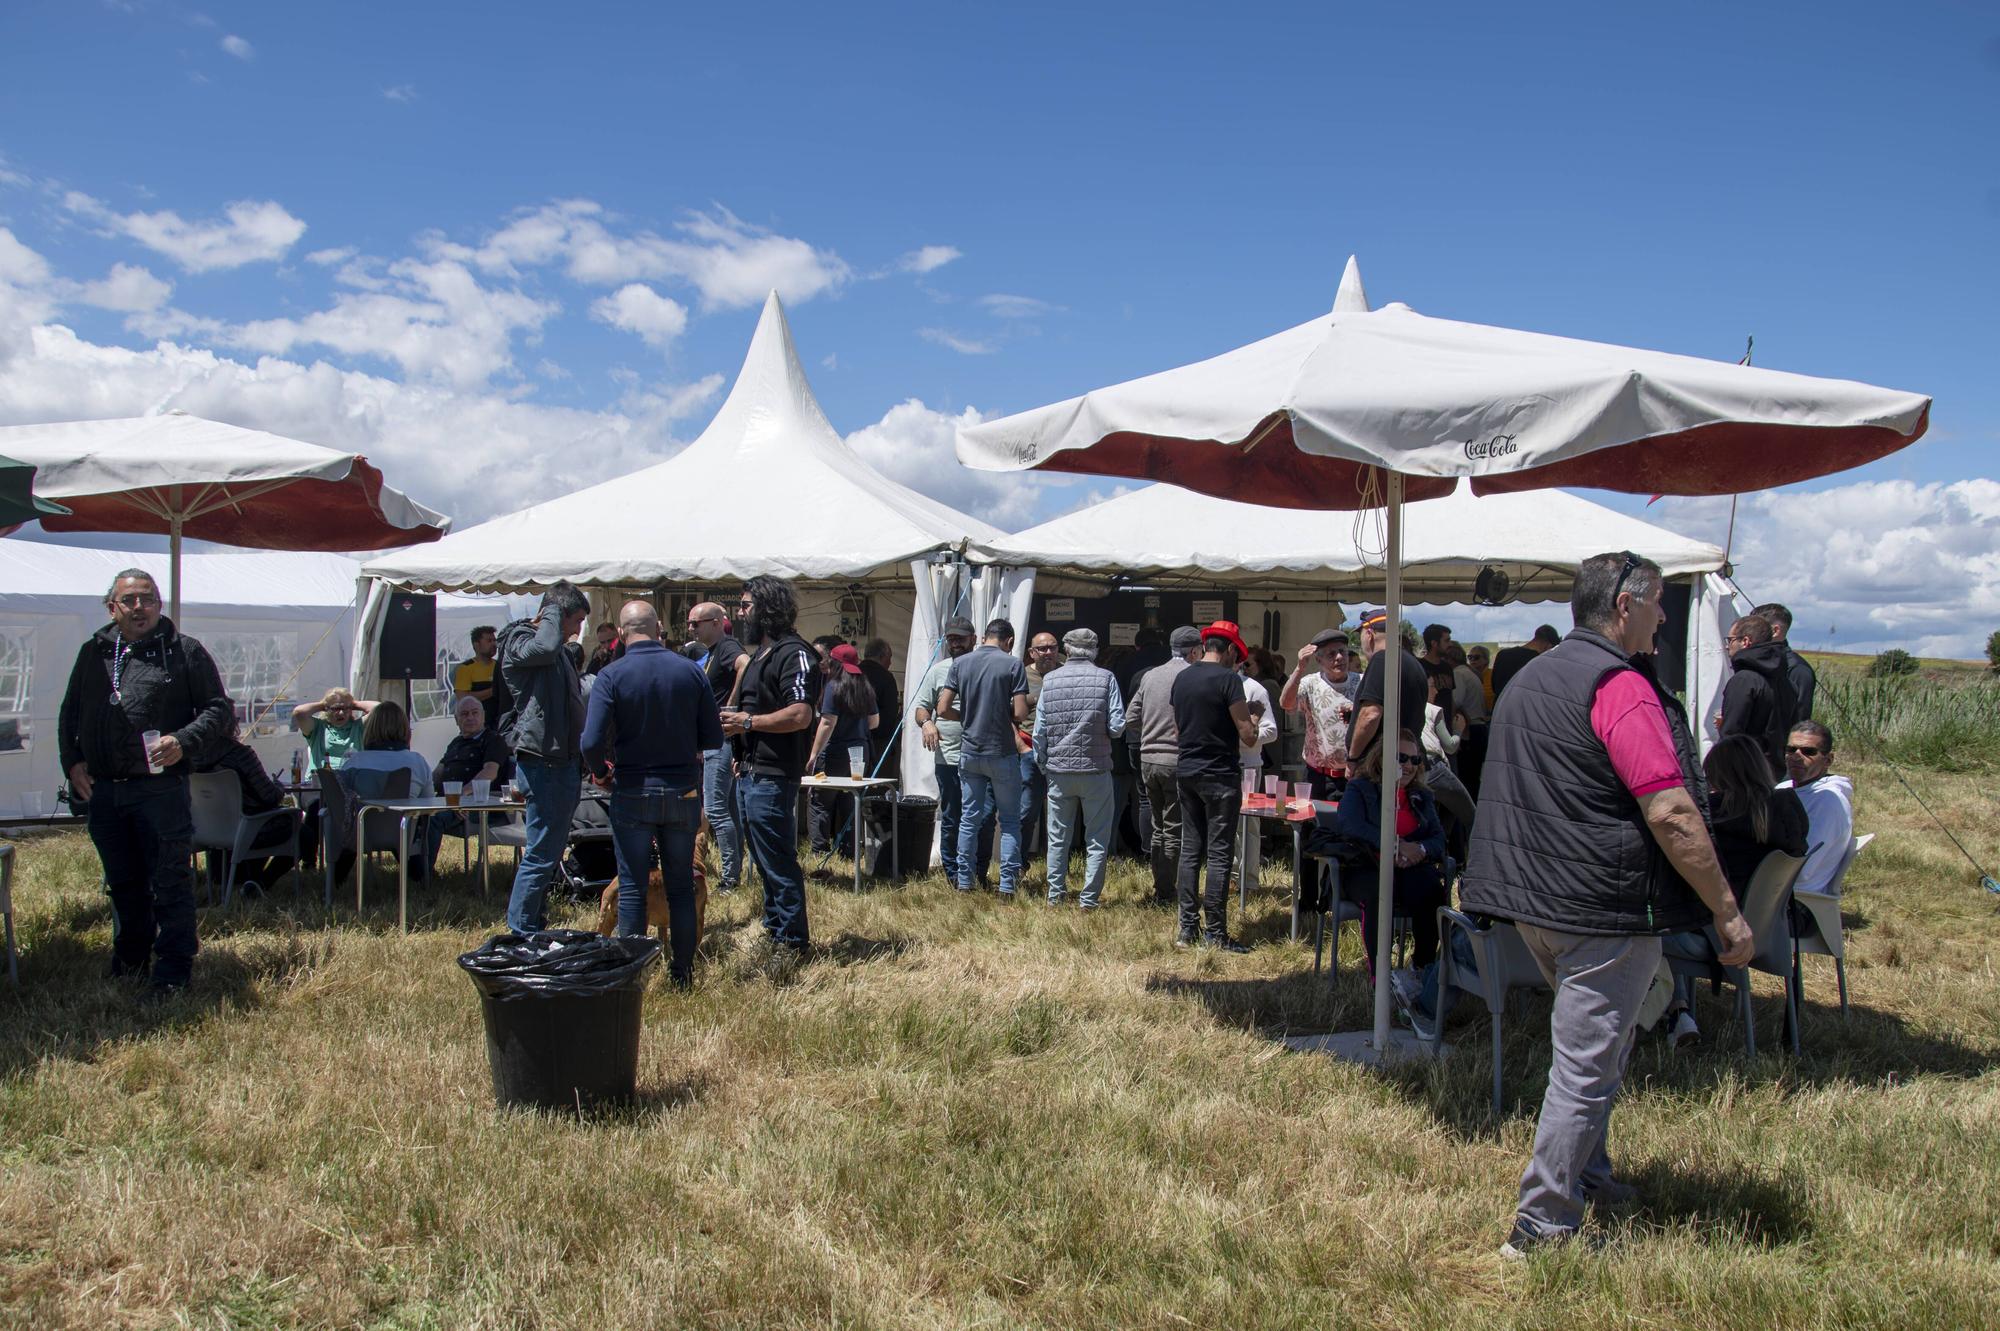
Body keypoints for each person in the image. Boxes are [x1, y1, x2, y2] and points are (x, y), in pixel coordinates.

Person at [1459, 551, 1753, 1257]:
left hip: (1538, 903)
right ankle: (1543, 1222)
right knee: (1587, 1065)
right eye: (1657, 606)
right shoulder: (1617, 683)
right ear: (1626, 604)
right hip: (1601, 905)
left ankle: (1588, 1175)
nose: (1662, 618)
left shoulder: (1533, 676)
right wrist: (1726, 909)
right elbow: (1672, 809)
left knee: (1601, 1048)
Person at [59, 569, 235, 999]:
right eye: (130, 600)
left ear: (160, 604)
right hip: (106, 791)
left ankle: (173, 969)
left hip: (159, 790)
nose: (140, 607)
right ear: (112, 608)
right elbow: (69, 713)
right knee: (123, 882)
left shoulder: (184, 652)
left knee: (169, 880)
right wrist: (73, 762)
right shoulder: (93, 653)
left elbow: (219, 711)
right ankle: (131, 961)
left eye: (149, 599)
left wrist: (183, 740)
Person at [583, 600, 722, 986]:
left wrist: (601, 773)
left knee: (632, 887)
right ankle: (682, 974)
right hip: (682, 791)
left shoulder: (611, 675)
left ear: (623, 633)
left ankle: (632, 978)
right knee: (681, 886)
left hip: (631, 791)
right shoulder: (690, 672)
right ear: (659, 628)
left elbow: (590, 740)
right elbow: (712, 735)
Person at [1659, 735, 1809, 1047]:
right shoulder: (1784, 815)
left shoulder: (1713, 821)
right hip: (1767, 933)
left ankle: (1676, 1009)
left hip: (1715, 937)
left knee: (1642, 926)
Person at [720, 576, 819, 956]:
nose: (741, 613)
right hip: (750, 772)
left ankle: (792, 943)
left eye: (746, 606)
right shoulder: (761, 654)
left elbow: (800, 714)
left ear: (768, 608)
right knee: (762, 861)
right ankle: (775, 930)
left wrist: (747, 723)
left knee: (777, 861)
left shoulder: (793, 653)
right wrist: (739, 751)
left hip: (773, 776)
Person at [497, 580, 590, 934]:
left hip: (562, 761)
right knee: (540, 854)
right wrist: (551, 609)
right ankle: (522, 931)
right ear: (558, 614)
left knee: (549, 853)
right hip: (543, 761)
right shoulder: (521, 641)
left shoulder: (559, 651)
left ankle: (533, 922)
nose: (578, 631)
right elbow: (546, 645)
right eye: (575, 620)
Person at [1170, 621, 1261, 952]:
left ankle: (1186, 930)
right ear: (1233, 650)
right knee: (1220, 853)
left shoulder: (1183, 677)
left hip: (1187, 770)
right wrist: (1253, 714)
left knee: (1190, 850)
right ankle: (1216, 934)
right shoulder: (1229, 680)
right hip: (1220, 774)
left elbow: (1180, 731)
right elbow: (1247, 734)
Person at [1336, 728, 1449, 982]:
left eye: (1415, 760)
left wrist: (1418, 850)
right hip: (1367, 865)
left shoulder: (1422, 795)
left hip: (1409, 867)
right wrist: (1394, 845)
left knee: (1430, 889)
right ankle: (1380, 975)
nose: (1408, 765)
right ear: (1382, 757)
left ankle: (1423, 969)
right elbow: (1351, 825)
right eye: (1401, 758)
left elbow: (1438, 839)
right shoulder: (1360, 788)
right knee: (1378, 893)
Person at [937, 619, 1030, 897]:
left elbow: (942, 708)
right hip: (1001, 751)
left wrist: (965, 717)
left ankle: (964, 883)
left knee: (969, 819)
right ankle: (1007, 886)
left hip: (970, 751)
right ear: (1009, 641)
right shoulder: (1013, 664)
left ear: (983, 638)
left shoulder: (961, 664)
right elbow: (1022, 714)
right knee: (1010, 821)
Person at [1033, 628, 1125, 908]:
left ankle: (1055, 895)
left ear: (1066, 649)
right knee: (1097, 839)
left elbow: (1040, 732)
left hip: (1059, 770)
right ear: (1094, 649)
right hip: (1096, 770)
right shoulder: (1106, 678)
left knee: (1057, 837)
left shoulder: (1050, 680)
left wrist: (1043, 763)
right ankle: (1088, 900)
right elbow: (1117, 727)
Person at [912, 617, 991, 889]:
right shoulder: (938, 670)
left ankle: (979, 871)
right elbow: (921, 708)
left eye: (960, 638)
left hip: (983, 755)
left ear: (975, 639)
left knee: (984, 817)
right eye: (951, 638)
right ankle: (954, 874)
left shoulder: (986, 666)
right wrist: (928, 722)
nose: (955, 643)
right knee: (952, 816)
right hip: (948, 757)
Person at [1126, 625, 1202, 904]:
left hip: (1148, 758)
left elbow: (1131, 717)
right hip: (1177, 760)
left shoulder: (1150, 676)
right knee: (1174, 828)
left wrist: (1152, 730)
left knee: (1158, 826)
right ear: (1194, 651)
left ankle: (1160, 885)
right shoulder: (1191, 675)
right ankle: (1168, 891)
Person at [686, 601, 748, 893]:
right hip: (717, 741)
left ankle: (729, 878)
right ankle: (735, 870)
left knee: (715, 809)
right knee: (730, 809)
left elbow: (744, 665)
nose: (690, 628)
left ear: (715, 622)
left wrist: (731, 705)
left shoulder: (726, 647)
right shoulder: (712, 652)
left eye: (695, 623)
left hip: (720, 741)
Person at [196, 733, 298, 893]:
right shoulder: (241, 754)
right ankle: (261, 883)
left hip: (207, 831)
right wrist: (279, 787)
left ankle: (249, 880)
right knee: (301, 831)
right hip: (244, 829)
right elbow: (270, 797)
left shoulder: (190, 757)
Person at [291, 685, 379, 870]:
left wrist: (352, 703)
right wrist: (323, 704)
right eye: (335, 709)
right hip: (319, 786)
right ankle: (309, 859)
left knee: (344, 809)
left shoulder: (358, 727)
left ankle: (340, 859)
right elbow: (299, 713)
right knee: (317, 806)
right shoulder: (318, 728)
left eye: (344, 709)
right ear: (326, 710)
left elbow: (379, 708)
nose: (340, 713)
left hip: (350, 787)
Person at [806, 643, 879, 857]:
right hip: (860, 752)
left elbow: (827, 723)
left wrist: (813, 754)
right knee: (850, 799)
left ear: (835, 663)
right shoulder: (866, 687)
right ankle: (849, 850)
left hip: (835, 752)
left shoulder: (833, 686)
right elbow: (874, 723)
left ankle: (819, 849)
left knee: (820, 801)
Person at [424, 694, 514, 864]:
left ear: (483, 716)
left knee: (433, 818)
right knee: (415, 816)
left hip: (478, 806)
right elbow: (438, 773)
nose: (470, 717)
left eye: (474, 713)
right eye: (464, 714)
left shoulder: (494, 740)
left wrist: (462, 795)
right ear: (457, 719)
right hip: (449, 802)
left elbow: (490, 772)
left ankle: (423, 876)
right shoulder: (455, 743)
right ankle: (411, 869)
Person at [1347, 608, 1429, 777]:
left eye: (1360, 635)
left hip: (1380, 767)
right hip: (1406, 765)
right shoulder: (1413, 663)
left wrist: (1353, 758)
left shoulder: (1381, 659)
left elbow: (1371, 715)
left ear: (1369, 634)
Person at [1281, 628, 1358, 800]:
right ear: (1319, 660)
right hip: (1319, 777)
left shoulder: (1361, 683)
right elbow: (1286, 703)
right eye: (1331, 654)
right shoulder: (1310, 684)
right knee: (1317, 824)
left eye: (1342, 652)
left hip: (1354, 776)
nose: (1339, 658)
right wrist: (1299, 669)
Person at [1778, 720, 1854, 894]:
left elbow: (1803, 869)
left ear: (1828, 760)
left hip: (1794, 894)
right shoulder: (1784, 788)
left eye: (1808, 751)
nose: (1796, 756)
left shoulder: (1829, 802)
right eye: (1791, 750)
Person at [1717, 613, 1797, 772]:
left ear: (1745, 641)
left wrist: (1721, 773)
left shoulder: (1744, 680)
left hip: (1746, 772)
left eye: (1730, 640)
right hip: (1776, 769)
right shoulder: (1786, 681)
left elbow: (1732, 734)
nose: (1727, 646)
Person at [1234, 651, 1280, 894]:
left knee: (1248, 825)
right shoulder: (1213, 684)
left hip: (1247, 766)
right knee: (1224, 825)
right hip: (1219, 766)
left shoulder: (1254, 689)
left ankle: (1249, 880)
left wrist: (1246, 739)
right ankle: (1230, 878)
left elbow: (1271, 731)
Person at [1020, 630, 1061, 856]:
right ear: (1031, 652)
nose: (1048, 653)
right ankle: (1020, 860)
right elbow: (1006, 715)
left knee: (1059, 811)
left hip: (1060, 751)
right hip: (1030, 752)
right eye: (1042, 649)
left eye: (1052, 647)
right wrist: (1021, 746)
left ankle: (1057, 861)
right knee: (1027, 810)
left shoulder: (1066, 674)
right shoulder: (1021, 676)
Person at [1754, 601, 1818, 725]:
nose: (1748, 633)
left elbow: (1800, 717)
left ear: (1775, 631)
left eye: (1755, 628)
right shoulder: (1756, 663)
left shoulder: (1797, 669)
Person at [859, 638, 901, 782]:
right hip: (877, 740)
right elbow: (890, 712)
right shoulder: (886, 677)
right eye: (889, 658)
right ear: (882, 656)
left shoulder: (854, 673)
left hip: (852, 738)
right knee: (876, 782)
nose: (890, 663)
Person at [452, 625, 502, 731]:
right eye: (489, 641)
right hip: (476, 727)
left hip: (499, 726)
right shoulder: (465, 668)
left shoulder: (500, 666)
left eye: (494, 640)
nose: (494, 644)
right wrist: (494, 690)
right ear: (476, 645)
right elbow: (463, 698)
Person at [1490, 624, 1559, 698]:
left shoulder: (1502, 654)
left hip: (1500, 706)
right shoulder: (1538, 661)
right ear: (1548, 645)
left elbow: (1494, 687)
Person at [1421, 662, 1462, 763]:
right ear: (1422, 688)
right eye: (1432, 686)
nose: (1436, 691)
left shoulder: (1403, 709)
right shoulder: (1432, 710)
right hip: (1433, 764)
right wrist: (1458, 730)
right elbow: (1450, 746)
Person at [1465, 644, 1496, 713]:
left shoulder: (1494, 674)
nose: (1472, 660)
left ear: (1486, 660)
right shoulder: (1466, 676)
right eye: (1470, 657)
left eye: (1476, 657)